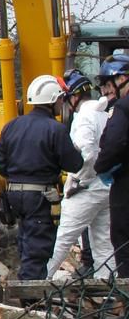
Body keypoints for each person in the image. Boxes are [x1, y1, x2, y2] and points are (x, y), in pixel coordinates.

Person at [0, 74, 83, 280]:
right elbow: (74, 164)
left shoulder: (12, 126)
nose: (63, 103)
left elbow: (0, 164)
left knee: (25, 242)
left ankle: (27, 289)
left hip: (14, 195)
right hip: (40, 197)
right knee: (38, 248)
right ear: (54, 100)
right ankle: (32, 301)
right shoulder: (55, 129)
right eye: (61, 99)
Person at [44, 69, 112, 281]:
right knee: (104, 246)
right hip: (106, 187)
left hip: (86, 189)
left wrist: (80, 180)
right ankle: (108, 293)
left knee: (61, 242)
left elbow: (87, 153)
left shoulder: (84, 117)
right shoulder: (102, 113)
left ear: (74, 97)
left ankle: (37, 286)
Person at [94, 53, 129, 280]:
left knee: (124, 243)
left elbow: (114, 144)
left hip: (126, 187)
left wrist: (101, 167)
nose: (106, 92)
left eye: (108, 85)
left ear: (122, 78)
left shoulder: (123, 108)